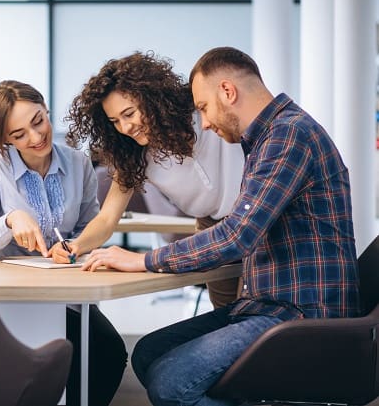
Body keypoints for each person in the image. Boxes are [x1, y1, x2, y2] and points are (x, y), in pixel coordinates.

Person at [80, 47, 362, 406]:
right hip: (266, 303)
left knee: (171, 383)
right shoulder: (263, 139)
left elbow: (237, 235)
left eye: (203, 108)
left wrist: (144, 259)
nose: (205, 123)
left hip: (300, 312)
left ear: (228, 92)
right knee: (148, 354)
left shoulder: (288, 136)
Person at [0, 80, 126, 406]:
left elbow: (89, 226)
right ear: (3, 140)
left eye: (39, 121)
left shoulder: (78, 163)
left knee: (107, 352)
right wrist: (11, 220)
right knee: (62, 357)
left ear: (46, 109)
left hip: (64, 292)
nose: (36, 137)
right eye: (19, 134)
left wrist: (74, 245)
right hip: (10, 300)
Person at [58, 51, 245, 309]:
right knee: (227, 317)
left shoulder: (202, 114)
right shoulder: (135, 155)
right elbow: (106, 218)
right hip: (210, 229)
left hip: (254, 218)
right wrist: (75, 245)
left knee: (256, 315)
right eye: (115, 121)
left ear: (152, 99)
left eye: (129, 113)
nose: (125, 128)